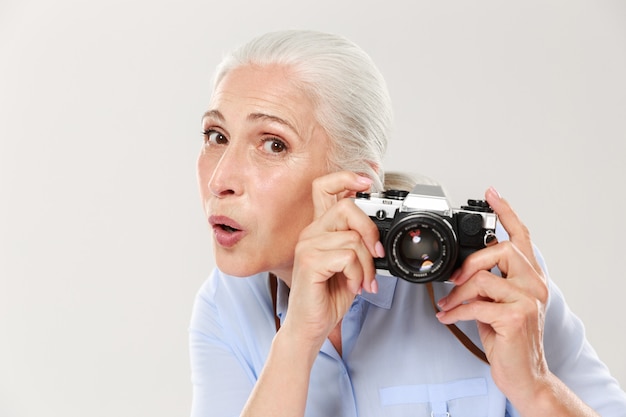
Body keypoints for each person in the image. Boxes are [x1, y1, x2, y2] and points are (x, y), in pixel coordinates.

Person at [189, 29, 626, 417]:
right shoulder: (226, 307)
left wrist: (535, 385)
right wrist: (298, 339)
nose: (220, 180)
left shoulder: (493, 276)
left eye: (273, 144)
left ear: (354, 183)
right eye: (217, 136)